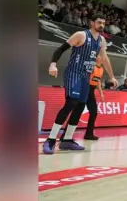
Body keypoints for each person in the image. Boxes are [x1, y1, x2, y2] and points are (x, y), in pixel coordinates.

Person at [43, 13, 118, 154]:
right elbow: (60, 49)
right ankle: (51, 139)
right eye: (99, 22)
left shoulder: (101, 40)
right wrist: (53, 65)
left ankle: (67, 140)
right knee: (71, 102)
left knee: (80, 106)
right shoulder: (81, 35)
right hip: (73, 73)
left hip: (86, 76)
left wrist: (112, 76)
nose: (101, 25)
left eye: (103, 23)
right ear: (92, 23)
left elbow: (105, 58)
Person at [83, 58, 105, 141]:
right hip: (85, 89)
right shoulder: (92, 67)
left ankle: (89, 134)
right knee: (77, 112)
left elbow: (98, 82)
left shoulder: (101, 69)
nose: (100, 58)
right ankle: (66, 135)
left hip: (91, 90)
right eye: (99, 56)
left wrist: (101, 93)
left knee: (94, 112)